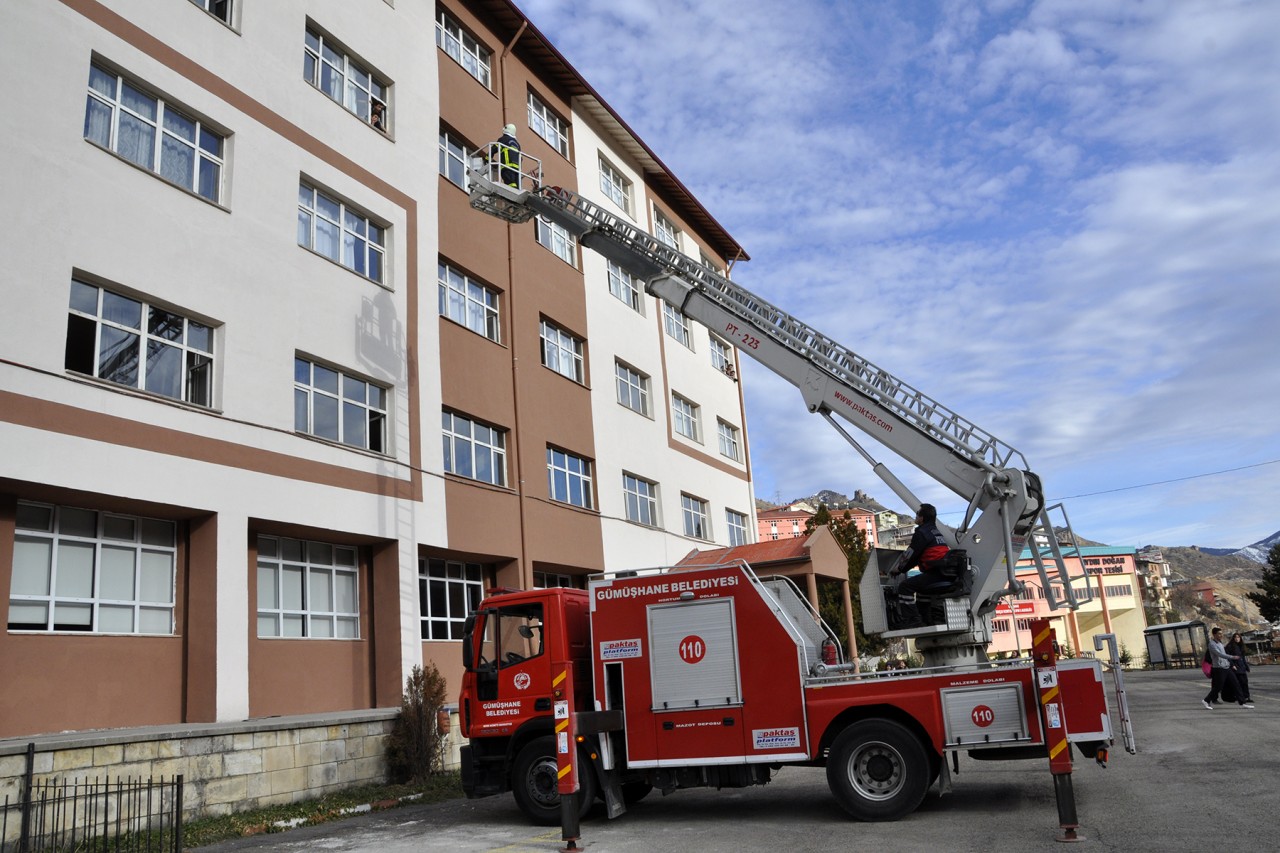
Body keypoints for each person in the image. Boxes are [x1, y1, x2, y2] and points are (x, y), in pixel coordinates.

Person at [889, 504, 951, 627]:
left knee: (905, 587)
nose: (915, 516)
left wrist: (899, 569)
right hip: (944, 573)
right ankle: (926, 620)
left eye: (917, 513)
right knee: (922, 591)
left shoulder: (922, 533)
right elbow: (920, 555)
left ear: (922, 518)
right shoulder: (935, 532)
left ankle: (913, 620)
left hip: (936, 573)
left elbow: (911, 555)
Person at [1202, 627, 1252, 709]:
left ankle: (1242, 702)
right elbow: (1220, 654)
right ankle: (1206, 700)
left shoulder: (1220, 643)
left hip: (1226, 667)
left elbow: (1224, 654)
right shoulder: (1212, 644)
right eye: (1219, 634)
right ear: (1214, 634)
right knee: (1218, 686)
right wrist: (1232, 657)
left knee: (1236, 684)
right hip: (1219, 668)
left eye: (1221, 633)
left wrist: (1230, 664)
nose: (1221, 635)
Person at [1224, 631, 1252, 704]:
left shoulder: (1241, 646)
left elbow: (1243, 657)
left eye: (1238, 637)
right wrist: (1232, 665)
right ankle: (1239, 697)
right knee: (1239, 683)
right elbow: (1227, 657)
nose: (1237, 639)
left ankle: (1246, 696)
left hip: (1242, 666)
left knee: (1245, 682)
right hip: (1235, 667)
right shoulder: (1230, 646)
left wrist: (1246, 667)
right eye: (1235, 637)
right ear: (1233, 638)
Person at [491, 122, 521, 187]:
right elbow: (520, 158)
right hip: (516, 169)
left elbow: (494, 148)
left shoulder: (503, 139)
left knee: (510, 183)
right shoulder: (517, 144)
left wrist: (487, 158)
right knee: (517, 186)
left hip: (507, 167)